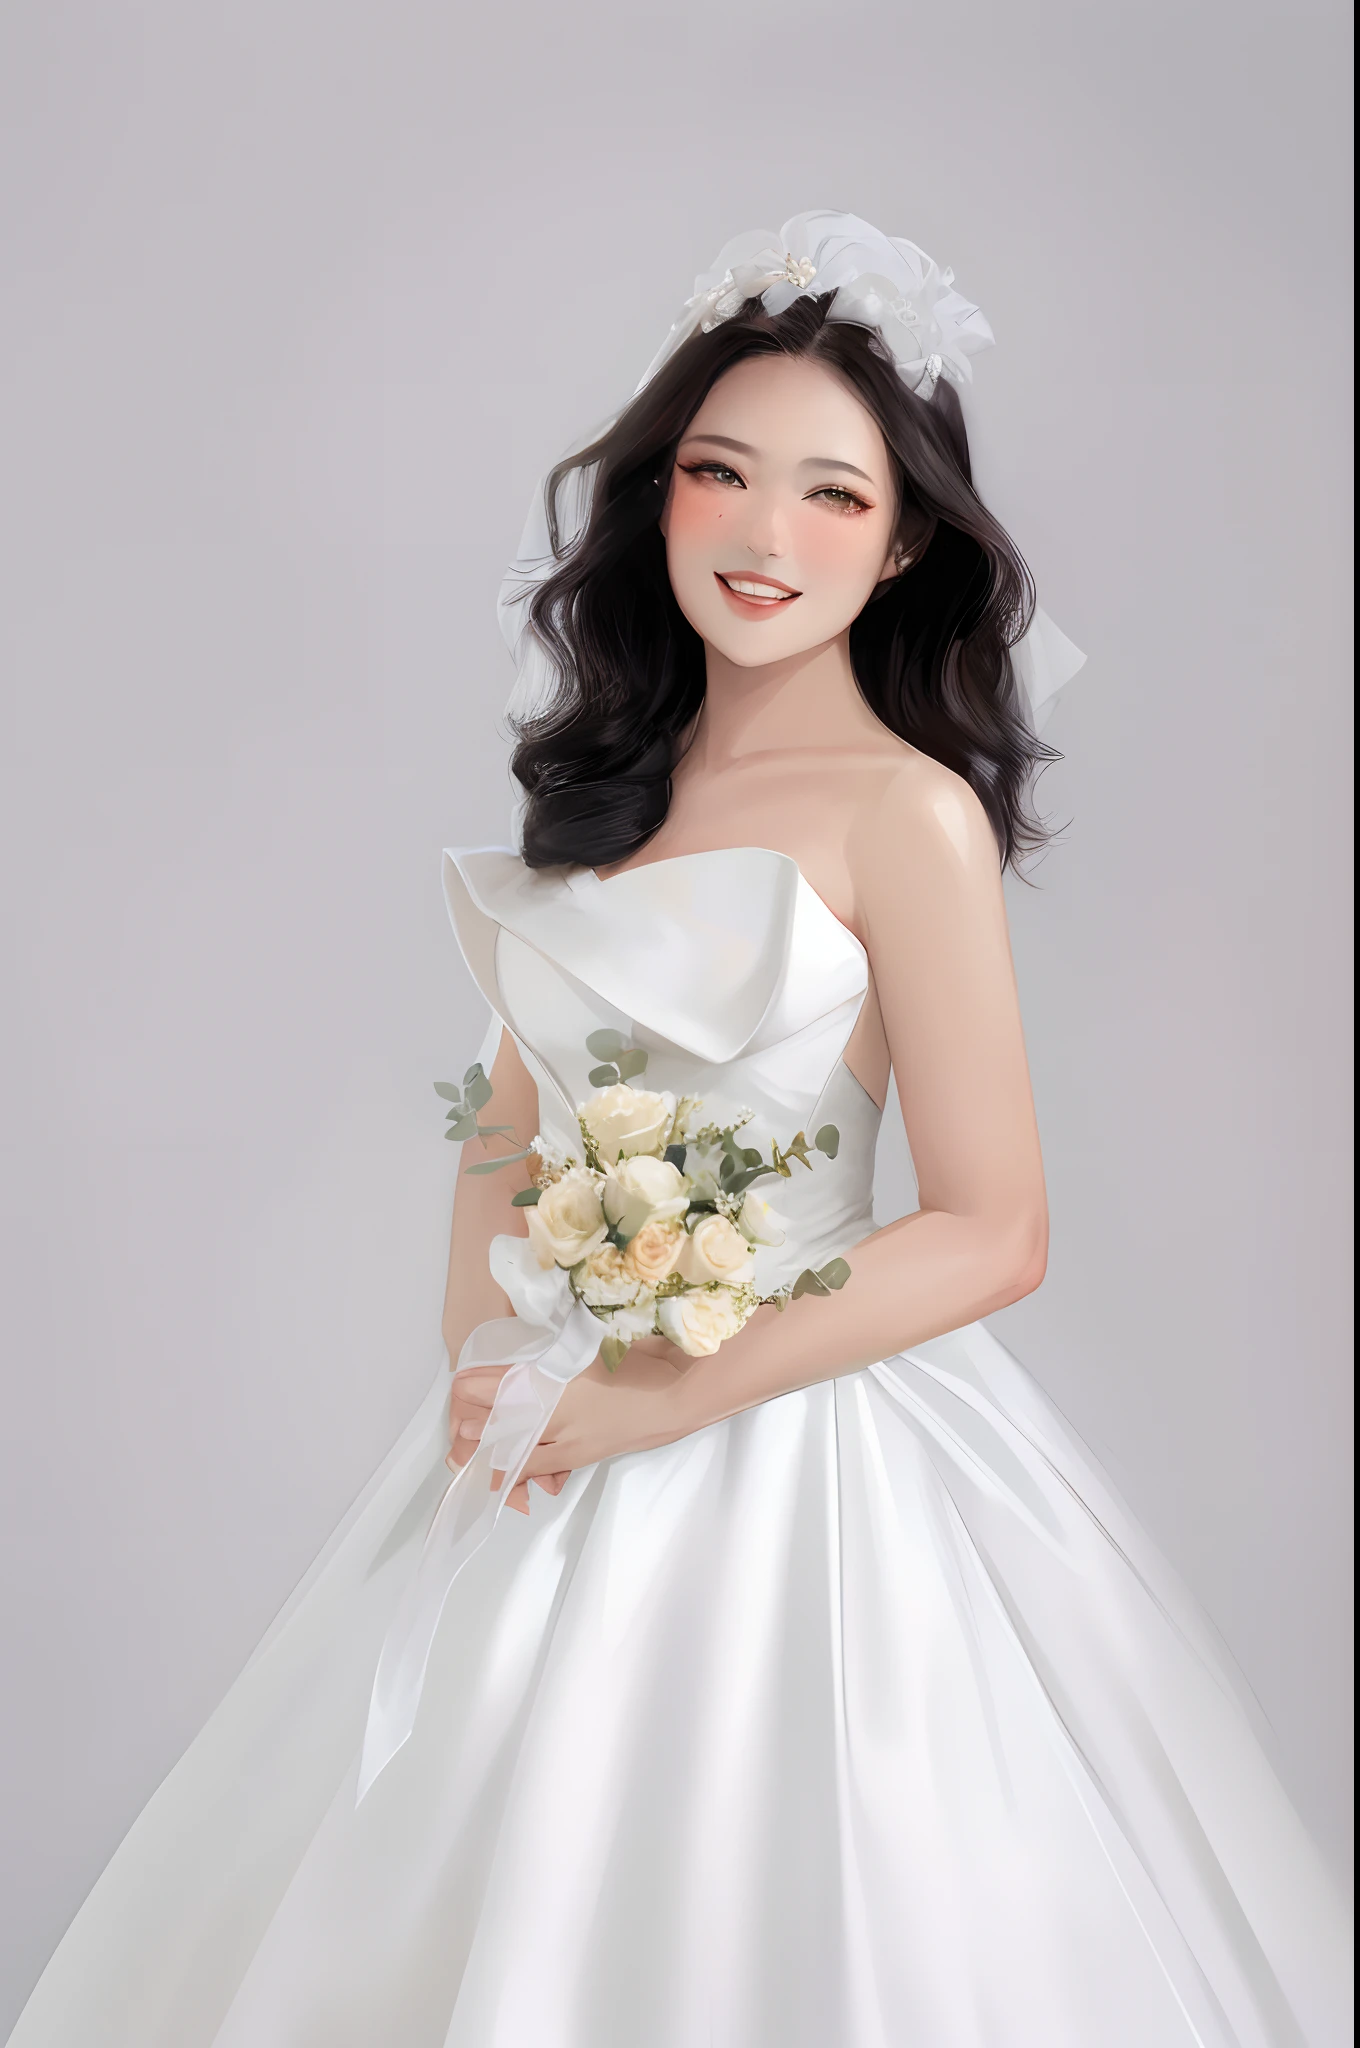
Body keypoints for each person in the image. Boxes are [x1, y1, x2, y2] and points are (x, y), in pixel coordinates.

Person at [8, 212, 1350, 2048]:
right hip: (554, 1417)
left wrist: (667, 1395)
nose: (766, 535)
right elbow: (507, 1122)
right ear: (658, 503)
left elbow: (993, 1226)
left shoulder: (907, 815)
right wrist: (502, 1372)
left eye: (830, 494)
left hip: (805, 1438)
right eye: (721, 475)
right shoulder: (603, 797)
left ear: (901, 548)